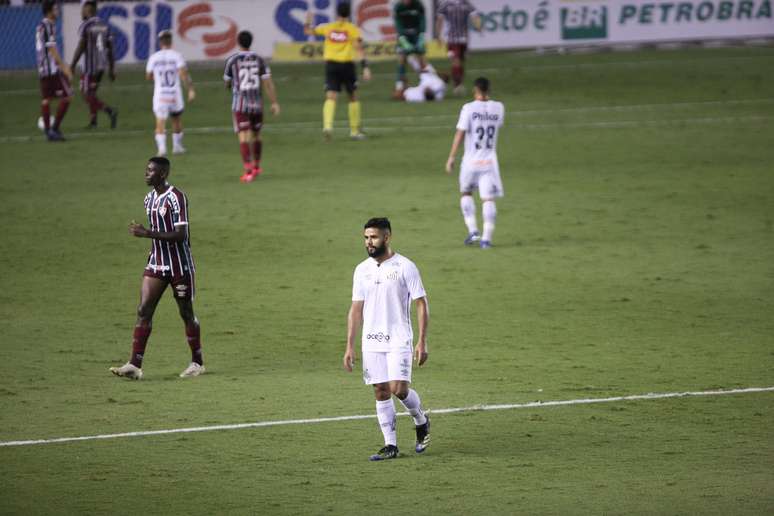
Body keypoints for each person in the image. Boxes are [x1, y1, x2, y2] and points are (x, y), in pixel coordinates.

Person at [344, 218, 431, 461]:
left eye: (373, 237)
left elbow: (421, 303)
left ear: (387, 237)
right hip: (371, 339)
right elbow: (355, 309)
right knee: (381, 391)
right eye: (365, 238)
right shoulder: (361, 270)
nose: (369, 242)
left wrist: (422, 341)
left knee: (398, 389)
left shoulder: (405, 266)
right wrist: (349, 346)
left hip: (399, 338)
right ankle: (390, 445)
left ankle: (421, 420)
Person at [110, 157, 204, 380]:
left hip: (179, 265)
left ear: (163, 173)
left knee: (186, 313)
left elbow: (181, 235)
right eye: (146, 169)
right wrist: (148, 235)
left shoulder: (177, 198)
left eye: (151, 171)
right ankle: (134, 364)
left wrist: (147, 233)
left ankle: (197, 362)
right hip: (156, 263)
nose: (146, 173)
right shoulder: (149, 199)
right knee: (143, 311)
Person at [445, 77, 505, 248]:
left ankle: (473, 231)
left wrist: (451, 157)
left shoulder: (469, 108)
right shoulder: (499, 107)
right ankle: (487, 239)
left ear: (475, 90)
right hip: (489, 163)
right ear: (489, 89)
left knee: (466, 193)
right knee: (488, 199)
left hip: (471, 161)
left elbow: (460, 134)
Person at [304, 2, 370, 140]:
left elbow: (308, 31)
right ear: (349, 14)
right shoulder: (353, 29)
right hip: (347, 66)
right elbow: (359, 49)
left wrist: (308, 20)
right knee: (352, 97)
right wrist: (365, 67)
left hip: (331, 65)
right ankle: (354, 132)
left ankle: (327, 127)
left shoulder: (328, 28)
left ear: (337, 13)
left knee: (331, 97)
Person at [223, 30, 280, 183]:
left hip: (240, 104)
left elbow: (227, 82)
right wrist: (274, 102)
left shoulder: (232, 61)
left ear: (238, 42)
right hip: (257, 104)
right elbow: (268, 83)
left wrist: (231, 86)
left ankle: (248, 171)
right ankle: (256, 166)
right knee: (256, 135)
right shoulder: (259, 59)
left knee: (243, 137)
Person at [146, 30, 195, 156]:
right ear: (171, 41)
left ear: (160, 42)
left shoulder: (154, 57)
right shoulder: (177, 56)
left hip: (160, 94)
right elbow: (184, 74)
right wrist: (190, 90)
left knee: (160, 121)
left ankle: (162, 149)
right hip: (174, 93)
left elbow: (148, 76)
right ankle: (177, 147)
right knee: (176, 119)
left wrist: (157, 76)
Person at [70, 0, 118, 129]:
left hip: (89, 67)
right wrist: (112, 69)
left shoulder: (86, 26)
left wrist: (72, 65)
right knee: (92, 93)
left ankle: (109, 111)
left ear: (88, 8)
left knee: (86, 93)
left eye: (83, 8)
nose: (81, 11)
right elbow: (110, 48)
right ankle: (93, 121)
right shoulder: (105, 25)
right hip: (101, 66)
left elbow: (81, 47)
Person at [36, 0, 72, 142]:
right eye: (56, 9)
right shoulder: (49, 25)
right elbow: (52, 50)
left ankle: (48, 132)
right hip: (51, 69)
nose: (58, 11)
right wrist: (65, 68)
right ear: (50, 11)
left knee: (46, 100)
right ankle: (55, 128)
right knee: (68, 96)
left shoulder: (40, 26)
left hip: (42, 68)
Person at [435, 0, 481, 94]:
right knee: (456, 61)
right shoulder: (446, 4)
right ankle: (457, 85)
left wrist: (477, 25)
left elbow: (474, 15)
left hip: (464, 38)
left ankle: (458, 83)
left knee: (461, 62)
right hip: (451, 38)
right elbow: (439, 19)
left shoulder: (466, 3)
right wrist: (438, 35)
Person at [393, 0, 427, 92]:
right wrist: (403, 40)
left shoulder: (418, 5)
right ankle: (399, 86)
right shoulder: (398, 7)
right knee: (401, 59)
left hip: (416, 34)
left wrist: (421, 36)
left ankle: (426, 84)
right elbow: (398, 23)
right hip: (404, 35)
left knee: (422, 60)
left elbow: (422, 20)